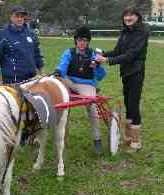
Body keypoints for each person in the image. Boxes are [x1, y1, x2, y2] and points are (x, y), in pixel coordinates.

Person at [95, 6, 149, 152]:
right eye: (126, 15)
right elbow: (118, 51)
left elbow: (130, 55)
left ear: (137, 17)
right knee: (128, 103)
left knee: (133, 105)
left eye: (131, 15)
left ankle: (136, 142)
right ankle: (129, 137)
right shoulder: (125, 32)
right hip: (126, 73)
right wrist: (103, 55)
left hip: (136, 72)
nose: (128, 18)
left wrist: (107, 61)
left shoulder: (142, 32)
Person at [55, 26, 106, 154]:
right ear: (75, 41)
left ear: (88, 41)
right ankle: (61, 136)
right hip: (69, 81)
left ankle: (97, 139)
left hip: (86, 84)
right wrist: (59, 72)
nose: (82, 42)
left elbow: (100, 76)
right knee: (61, 103)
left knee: (92, 107)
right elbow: (63, 66)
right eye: (79, 40)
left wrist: (97, 66)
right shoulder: (69, 52)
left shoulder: (94, 54)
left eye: (84, 40)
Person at [0, 5, 44, 85]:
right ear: (11, 17)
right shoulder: (1, 35)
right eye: (17, 16)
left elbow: (37, 54)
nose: (20, 19)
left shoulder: (31, 34)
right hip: (12, 80)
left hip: (32, 78)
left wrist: (41, 71)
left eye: (22, 16)